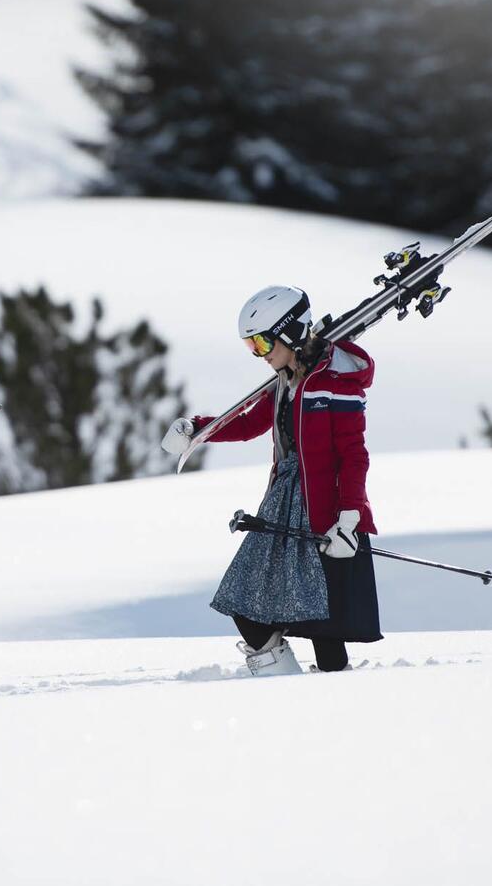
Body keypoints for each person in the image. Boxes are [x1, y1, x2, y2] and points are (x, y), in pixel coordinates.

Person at [161, 285, 382, 676]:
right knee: (245, 598)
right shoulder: (284, 380)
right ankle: (281, 681)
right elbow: (248, 423)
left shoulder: (334, 382)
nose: (259, 355)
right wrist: (198, 429)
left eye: (263, 343)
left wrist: (349, 518)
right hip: (284, 501)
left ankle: (333, 694)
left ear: (292, 332)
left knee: (324, 624)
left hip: (324, 510)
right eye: (252, 347)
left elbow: (353, 455)